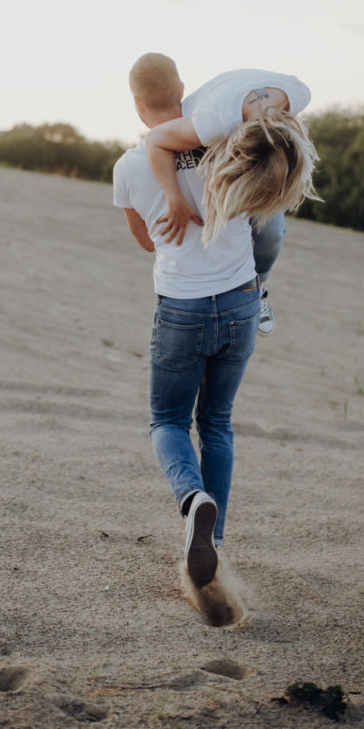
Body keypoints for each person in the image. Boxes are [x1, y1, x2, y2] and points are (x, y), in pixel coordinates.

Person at [113, 54, 263, 589]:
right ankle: (213, 546)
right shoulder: (226, 144)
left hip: (182, 307)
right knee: (217, 423)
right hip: (243, 299)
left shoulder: (129, 167)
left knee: (168, 422)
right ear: (182, 90)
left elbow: (145, 241)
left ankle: (192, 498)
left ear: (136, 104)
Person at [140, 62, 318, 335]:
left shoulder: (298, 94)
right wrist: (175, 199)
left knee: (272, 235)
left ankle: (257, 289)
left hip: (247, 127)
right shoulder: (212, 123)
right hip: (210, 135)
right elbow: (155, 140)